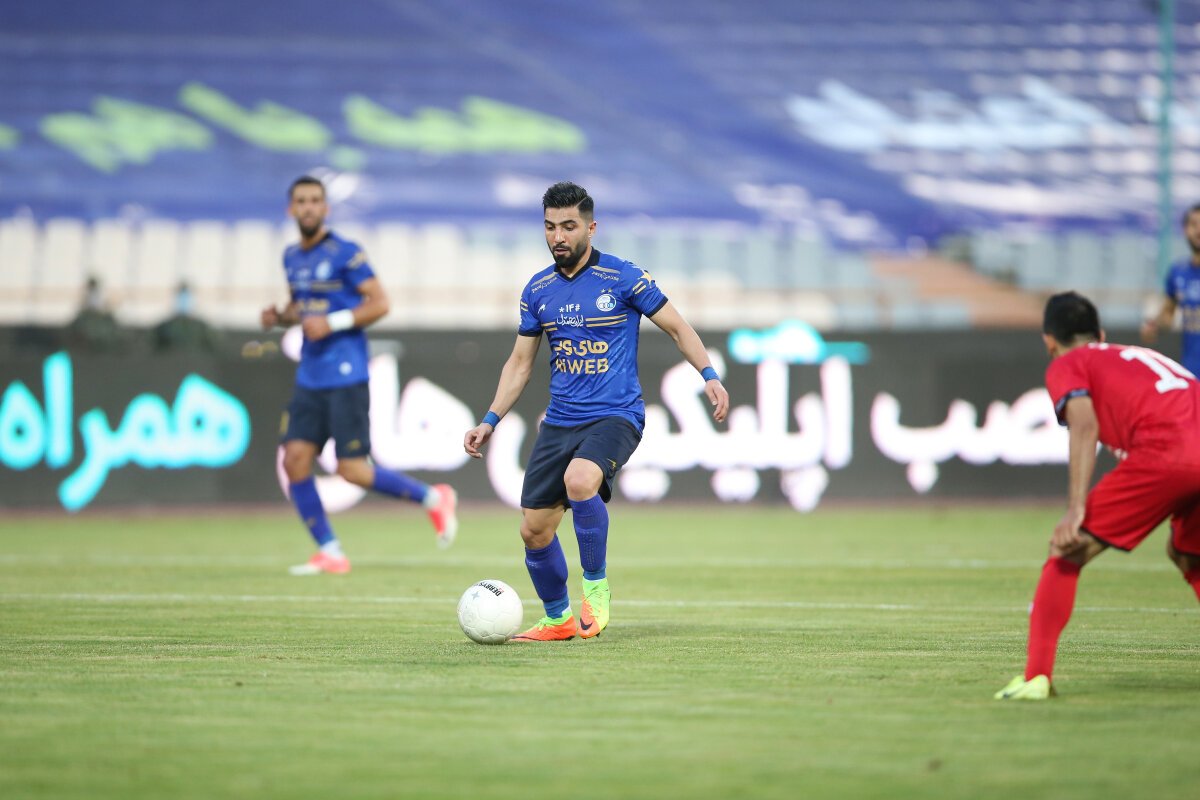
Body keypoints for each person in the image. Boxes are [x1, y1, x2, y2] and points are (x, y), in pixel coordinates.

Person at [462, 181, 729, 641]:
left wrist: (709, 375)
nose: (558, 236)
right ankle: (558, 619)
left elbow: (678, 327)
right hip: (560, 421)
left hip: (616, 415)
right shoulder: (538, 290)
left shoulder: (623, 278)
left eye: (568, 226)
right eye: (550, 227)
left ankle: (596, 590)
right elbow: (520, 364)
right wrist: (490, 420)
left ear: (591, 227)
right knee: (534, 531)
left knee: (580, 480)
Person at [995, 291, 1200, 700]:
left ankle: (1036, 677)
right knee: (1188, 554)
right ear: (1101, 334)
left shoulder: (1068, 363)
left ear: (1049, 341)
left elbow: (1084, 425)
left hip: (1167, 451)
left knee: (1067, 548)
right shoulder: (1139, 356)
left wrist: (1076, 509)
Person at [262, 175, 458, 576]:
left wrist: (332, 322)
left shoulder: (345, 252)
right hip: (310, 375)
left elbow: (380, 303)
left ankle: (433, 499)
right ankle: (330, 551)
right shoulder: (291, 257)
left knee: (351, 469)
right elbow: (304, 308)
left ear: (325, 208)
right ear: (291, 209)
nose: (308, 207)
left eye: (315, 200)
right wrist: (281, 316)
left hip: (346, 373)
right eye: (301, 201)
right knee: (295, 461)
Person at [1141, 203, 1200, 377]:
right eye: (1194, 224)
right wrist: (1155, 325)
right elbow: (1168, 313)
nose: (1199, 230)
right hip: (1192, 372)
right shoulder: (1177, 272)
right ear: (1185, 230)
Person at [151, 281, 221, 354]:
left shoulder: (201, 327)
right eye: (181, 296)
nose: (184, 300)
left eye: (186, 296)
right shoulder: (165, 327)